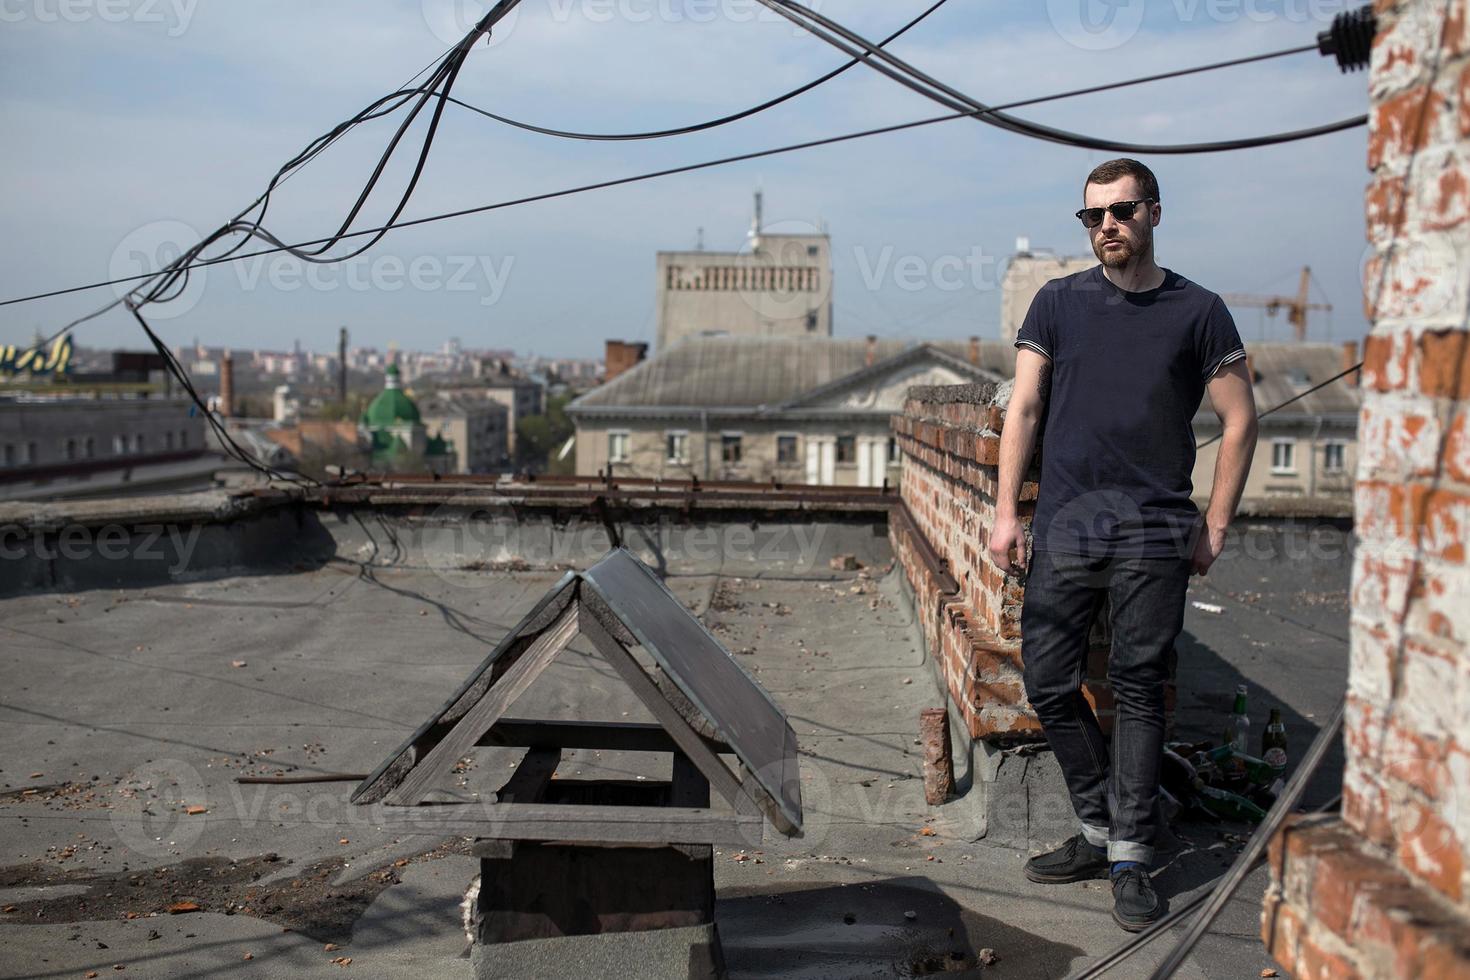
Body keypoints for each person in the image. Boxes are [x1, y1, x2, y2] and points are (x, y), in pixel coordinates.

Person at [987, 158, 1259, 932]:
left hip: (1155, 532)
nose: (1107, 225)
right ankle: (1100, 827)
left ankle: (1133, 856)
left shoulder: (1198, 310)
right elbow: (1027, 407)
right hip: (1066, 525)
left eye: (1122, 210)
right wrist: (1007, 512)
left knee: (1140, 689)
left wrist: (1214, 526)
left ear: (1154, 214)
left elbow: (1241, 420)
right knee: (1045, 680)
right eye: (1093, 216)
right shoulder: (1057, 304)